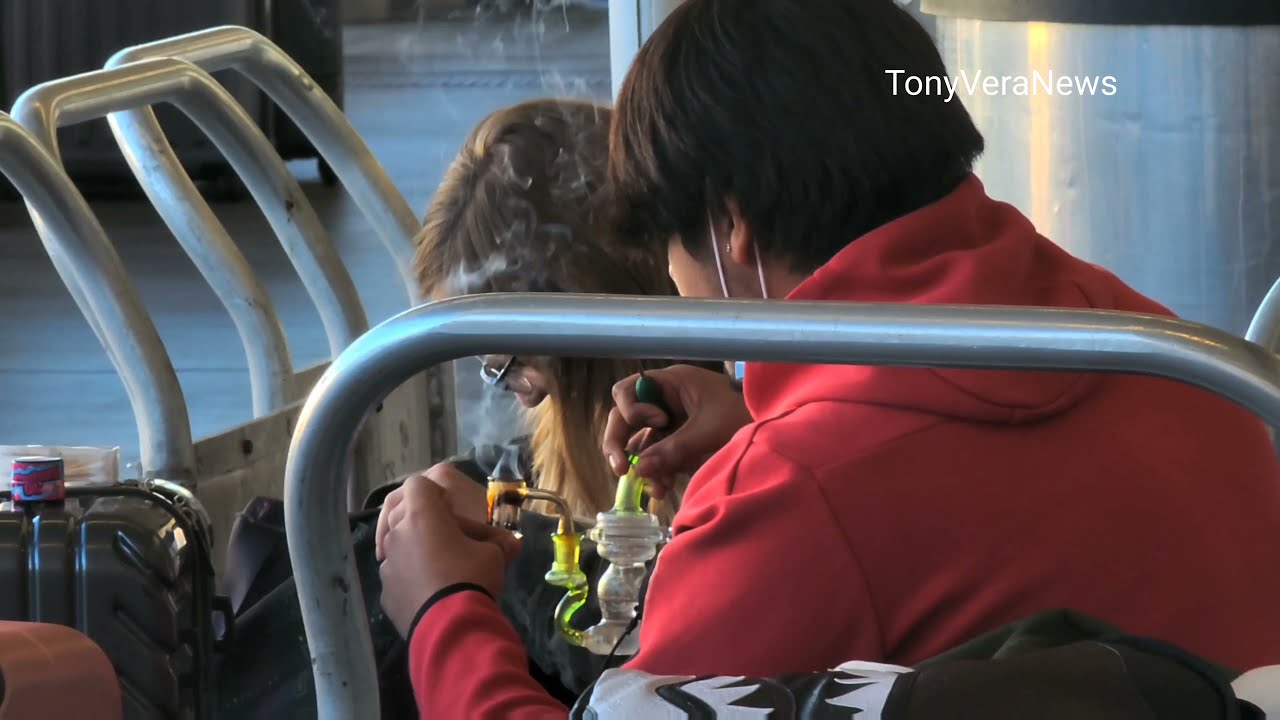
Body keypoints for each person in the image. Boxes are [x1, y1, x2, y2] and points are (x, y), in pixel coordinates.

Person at [375, 0, 1280, 717]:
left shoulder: (798, 500)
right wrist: (767, 429)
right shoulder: (1168, 347)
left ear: (730, 224)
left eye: (672, 249)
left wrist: (442, 612)